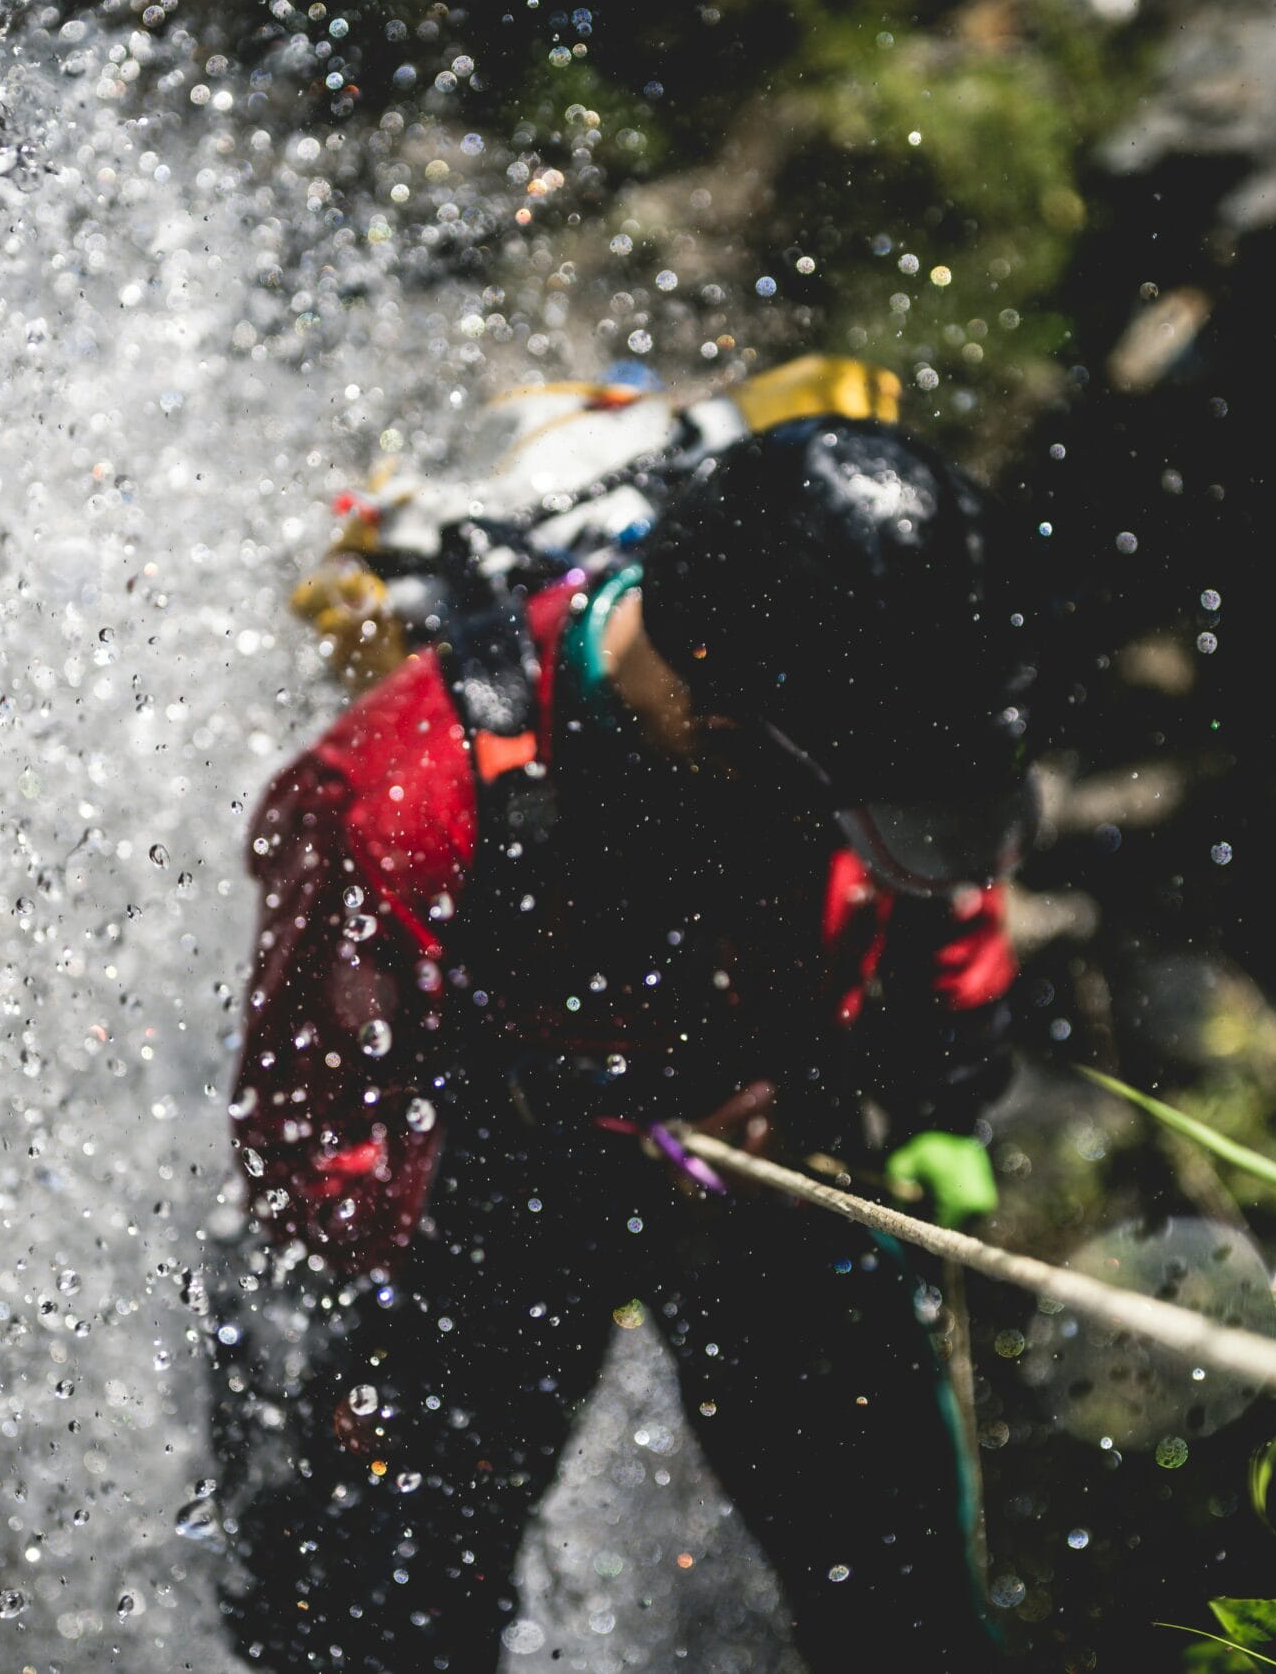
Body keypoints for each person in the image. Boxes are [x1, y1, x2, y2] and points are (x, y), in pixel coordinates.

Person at [209, 417, 1041, 1672]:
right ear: (711, 706)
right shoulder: (400, 796)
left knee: (907, 1613)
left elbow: (938, 887)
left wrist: (937, 1101)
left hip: (774, 1165)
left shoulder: (854, 718)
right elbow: (313, 1137)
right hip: (486, 1215)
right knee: (390, 1625)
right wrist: (498, 1197)